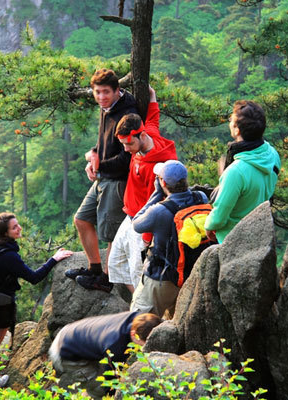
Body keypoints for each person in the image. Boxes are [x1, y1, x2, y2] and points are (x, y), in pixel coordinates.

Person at [68, 68, 138, 292]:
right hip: (103, 176)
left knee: (110, 232)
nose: (101, 97)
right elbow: (103, 144)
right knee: (81, 219)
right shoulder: (107, 108)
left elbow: (127, 158)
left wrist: (99, 166)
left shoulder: (126, 113)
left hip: (117, 181)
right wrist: (92, 159)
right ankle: (95, 268)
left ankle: (106, 279)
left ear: (117, 91)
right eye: (97, 92)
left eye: (106, 92)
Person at [107, 86, 177, 294]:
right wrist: (153, 95)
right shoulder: (149, 134)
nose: (126, 149)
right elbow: (153, 118)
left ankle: (142, 313)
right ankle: (137, 302)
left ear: (141, 135)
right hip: (129, 216)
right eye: (123, 145)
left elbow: (155, 202)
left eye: (129, 144)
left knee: (139, 274)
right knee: (115, 263)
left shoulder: (160, 166)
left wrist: (147, 237)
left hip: (142, 224)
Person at [0, 212, 73, 364]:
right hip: (0, 304)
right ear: (5, 233)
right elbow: (34, 278)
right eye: (14, 227)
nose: (19, 228)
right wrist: (53, 259)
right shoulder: (9, 256)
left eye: (18, 224)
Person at [131, 160, 208, 318]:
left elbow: (136, 224)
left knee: (139, 323)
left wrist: (157, 193)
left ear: (163, 182)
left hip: (161, 279)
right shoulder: (201, 198)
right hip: (190, 275)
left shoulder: (159, 211)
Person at [204, 100, 281, 244]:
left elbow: (218, 218)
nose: (229, 121)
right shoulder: (272, 154)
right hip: (259, 234)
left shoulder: (236, 172)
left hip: (233, 240)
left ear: (237, 130)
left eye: (231, 119)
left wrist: (208, 226)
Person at [48, 311, 162, 398]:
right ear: (133, 334)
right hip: (65, 351)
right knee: (98, 389)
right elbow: (111, 383)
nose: (146, 347)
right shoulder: (116, 346)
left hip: (75, 333)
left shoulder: (140, 318)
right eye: (144, 344)